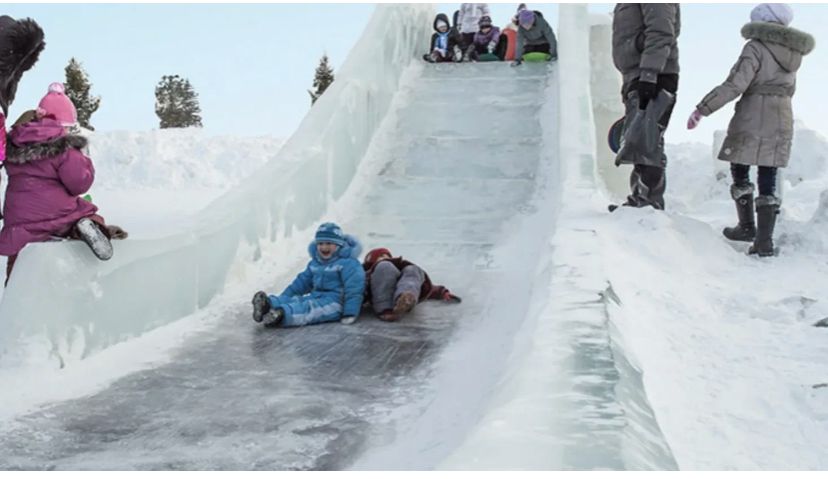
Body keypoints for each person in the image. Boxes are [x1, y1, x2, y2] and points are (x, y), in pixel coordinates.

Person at [687, 4, 814, 257]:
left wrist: (703, 108)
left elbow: (736, 84)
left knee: (740, 164)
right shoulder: (793, 52)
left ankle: (747, 227)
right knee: (768, 169)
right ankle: (764, 241)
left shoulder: (755, 47)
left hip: (753, 112)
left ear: (762, 22)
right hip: (782, 114)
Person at [0, 83, 127, 285]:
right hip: (57, 216)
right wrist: (85, 161)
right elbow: (79, 184)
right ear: (64, 124)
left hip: (19, 221)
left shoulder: (15, 142)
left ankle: (12, 288)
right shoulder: (64, 147)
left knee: (17, 260)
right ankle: (89, 228)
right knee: (85, 212)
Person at [609, 4, 680, 211]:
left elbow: (662, 31)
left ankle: (649, 202)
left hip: (653, 74)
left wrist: (649, 74)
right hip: (638, 73)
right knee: (639, 138)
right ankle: (640, 197)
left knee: (648, 140)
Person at [251, 222, 365, 327]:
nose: (324, 247)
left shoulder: (348, 263)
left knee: (310, 309)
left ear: (339, 245)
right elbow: (302, 282)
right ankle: (267, 304)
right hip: (317, 296)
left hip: (336, 303)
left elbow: (354, 289)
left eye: (329, 243)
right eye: (320, 243)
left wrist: (350, 312)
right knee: (297, 300)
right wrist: (285, 297)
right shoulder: (316, 262)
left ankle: (282, 315)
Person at [362, 248, 461, 322]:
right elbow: (357, 289)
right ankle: (386, 309)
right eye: (380, 257)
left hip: (400, 289)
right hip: (380, 294)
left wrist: (442, 292)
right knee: (385, 267)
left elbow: (416, 282)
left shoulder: (399, 269)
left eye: (386, 256)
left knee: (412, 269)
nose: (384, 258)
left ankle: (406, 298)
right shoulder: (367, 274)